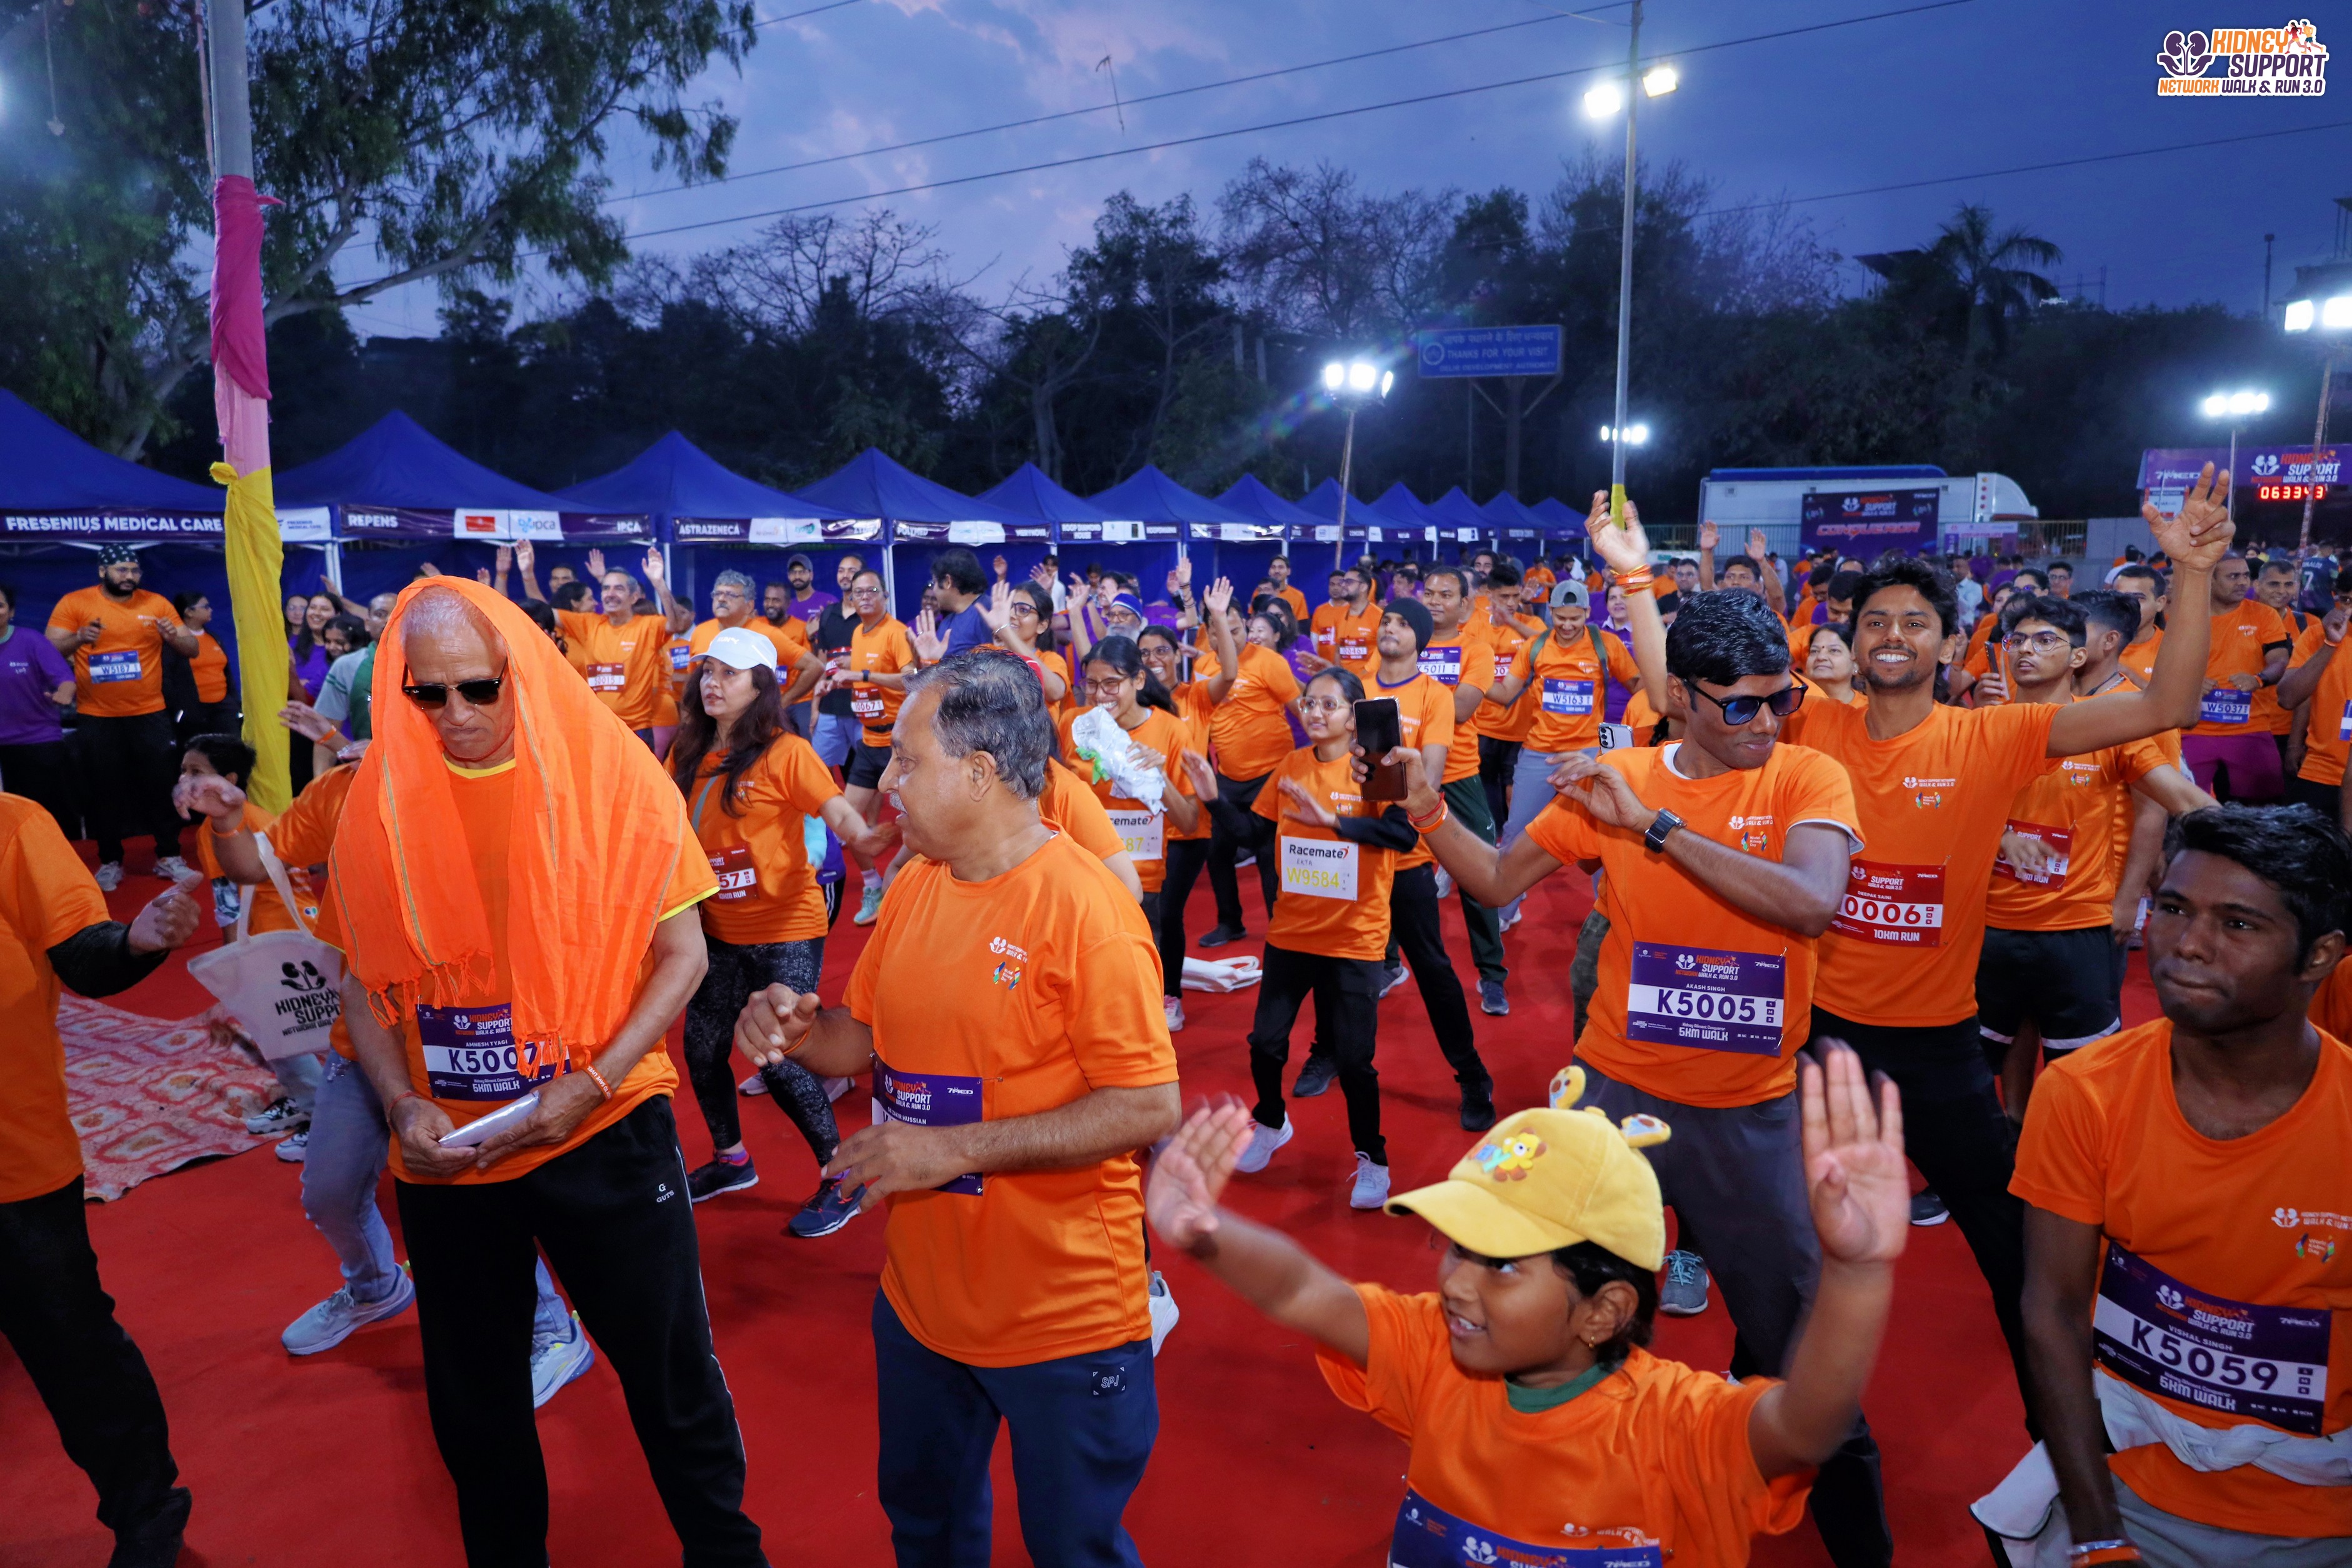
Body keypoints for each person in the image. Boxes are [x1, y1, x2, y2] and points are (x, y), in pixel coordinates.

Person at [1650, 467, 2233, 1427]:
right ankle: (1758, 1416)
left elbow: (2162, 705)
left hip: (1938, 1047)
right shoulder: (1811, 723)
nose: (1891, 635)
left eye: (1914, 623)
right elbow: (1679, 697)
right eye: (1874, 621)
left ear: (1952, 642)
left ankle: (2066, 1440)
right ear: (1849, 639)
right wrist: (1636, 582)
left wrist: (2194, 575)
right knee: (1785, 1239)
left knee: (2011, 1249)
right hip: (1817, 1039)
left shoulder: (1994, 737)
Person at [1391, 576, 1894, 1564]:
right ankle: (1549, 1515)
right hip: (1609, 1094)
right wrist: (1426, 815)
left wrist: (1652, 828)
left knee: (1799, 1350)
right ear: (1681, 700)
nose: (1765, 721)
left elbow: (1808, 903)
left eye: (1779, 698)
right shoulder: (1614, 776)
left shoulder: (1804, 777)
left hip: (1747, 1111)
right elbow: (1492, 879)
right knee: (1551, 1320)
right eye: (1739, 705)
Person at [328, 577, 766, 1568]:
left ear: (519, 669)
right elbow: (360, 981)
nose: (454, 713)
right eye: (426, 693)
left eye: (477, 687)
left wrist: (594, 1082)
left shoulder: (611, 775)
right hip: (450, 1152)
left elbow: (683, 956)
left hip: (602, 1127)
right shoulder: (378, 801)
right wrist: (399, 1101)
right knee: (474, 1407)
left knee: (669, 1379)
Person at [731, 651, 1180, 1568]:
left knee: (1075, 1550)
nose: (886, 780)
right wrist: (798, 1032)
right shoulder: (916, 885)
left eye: (906, 759)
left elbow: (1146, 1104)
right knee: (926, 1529)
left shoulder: (1089, 913)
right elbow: (859, 1042)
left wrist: (953, 1149)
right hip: (918, 1304)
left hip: (1062, 1319)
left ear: (978, 773)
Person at [1146, 1041, 1912, 1567]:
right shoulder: (1434, 1351)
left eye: (1503, 1263)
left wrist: (1855, 1271)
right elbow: (1303, 1290)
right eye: (1458, 1246)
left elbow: (1806, 1426)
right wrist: (1206, 1234)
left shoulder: (1676, 1428)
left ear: (1604, 1310)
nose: (1455, 1283)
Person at [174, 754, 594, 1393]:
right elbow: (253, 865)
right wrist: (229, 817)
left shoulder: (484, 778)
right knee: (328, 1191)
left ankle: (551, 1327)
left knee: (479, 1189)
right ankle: (374, 1287)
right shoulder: (341, 789)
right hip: (364, 1036)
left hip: (457, 1035)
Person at [2002, 805, 2352, 1567]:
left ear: (2320, 955)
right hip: (2125, 1487)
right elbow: (2051, 1311)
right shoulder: (2082, 1093)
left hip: (2320, 1513)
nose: (2187, 944)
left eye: (2237, 924)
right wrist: (2098, 1536)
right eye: (2172, 908)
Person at [0, 796, 204, 1568]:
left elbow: (83, 952)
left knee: (70, 1343)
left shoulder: (15, 828)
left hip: (13, 1159)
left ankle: (147, 1510)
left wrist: (135, 940)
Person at [670, 627, 893, 1235]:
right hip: (718, 929)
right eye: (708, 671)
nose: (712, 682)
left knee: (779, 1057)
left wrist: (864, 837)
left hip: (786, 927)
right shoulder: (688, 752)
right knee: (702, 1050)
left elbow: (835, 808)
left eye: (729, 673)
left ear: (761, 685)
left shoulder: (785, 751)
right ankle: (731, 1160)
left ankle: (840, 1176)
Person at [1968, 596, 2209, 1127]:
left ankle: (2077, 1157)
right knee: (1977, 1066)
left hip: (2077, 929)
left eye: (2045, 640)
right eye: (2017, 640)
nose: (2026, 650)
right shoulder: (1976, 729)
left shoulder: (2109, 730)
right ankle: (2007, 1138)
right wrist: (1999, 837)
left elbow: (2180, 798)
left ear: (2077, 657)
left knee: (2085, 1071)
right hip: (1988, 928)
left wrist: (2255, 839)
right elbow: (1939, 810)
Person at [1209, 665, 1417, 1209]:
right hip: (1291, 934)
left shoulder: (1376, 768)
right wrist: (1212, 800)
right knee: (1264, 1043)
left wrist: (1333, 822)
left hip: (1354, 939)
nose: (1315, 712)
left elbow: (1402, 835)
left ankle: (1372, 1157)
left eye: (1328, 704)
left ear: (1354, 716)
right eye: (1308, 703)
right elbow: (1253, 832)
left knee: (1354, 1061)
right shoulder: (1291, 765)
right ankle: (1270, 1122)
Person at [1059, 634, 1205, 1034]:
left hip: (1142, 878)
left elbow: (1189, 822)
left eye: (1112, 683)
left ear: (1138, 681)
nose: (1099, 695)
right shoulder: (1073, 724)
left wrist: (1158, 777)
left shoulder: (1171, 731)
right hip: (1082, 871)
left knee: (1138, 968)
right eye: (1091, 684)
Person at [45, 543, 201, 888]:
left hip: (150, 713)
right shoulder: (75, 603)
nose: (130, 576)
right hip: (96, 715)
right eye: (122, 570)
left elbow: (192, 648)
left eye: (134, 570)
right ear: (103, 571)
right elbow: (49, 648)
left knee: (161, 784)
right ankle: (110, 860)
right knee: (104, 787)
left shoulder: (156, 603)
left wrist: (173, 638)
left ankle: (169, 855)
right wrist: (79, 638)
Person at [1417, 567, 1510, 1015]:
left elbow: (1460, 709)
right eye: (1429, 593)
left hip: (1458, 774)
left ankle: (1491, 974)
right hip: (1407, 774)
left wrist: (1409, 694)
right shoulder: (1404, 642)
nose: (1435, 600)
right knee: (1395, 873)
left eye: (1445, 594)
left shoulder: (1477, 649)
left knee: (1479, 878)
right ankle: (1388, 963)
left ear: (1465, 604)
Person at [1196, 584, 1303, 948]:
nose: (1228, 637)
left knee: (1268, 854)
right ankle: (1230, 922)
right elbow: (1203, 719)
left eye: (1235, 629)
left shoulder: (1270, 662)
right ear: (1208, 632)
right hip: (1227, 776)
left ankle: (1279, 928)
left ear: (1244, 625)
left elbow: (1300, 710)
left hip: (1271, 774)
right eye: (1218, 630)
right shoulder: (1203, 666)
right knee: (1217, 852)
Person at [1136, 623, 1216, 1026]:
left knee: (1168, 913)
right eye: (1144, 653)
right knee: (1141, 913)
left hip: (1188, 828)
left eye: (1161, 651)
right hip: (1141, 830)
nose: (1153, 659)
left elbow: (1230, 672)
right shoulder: (1131, 708)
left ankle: (1170, 995)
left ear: (1177, 654)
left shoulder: (1194, 696)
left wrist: (1214, 618)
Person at [832, 568, 917, 925]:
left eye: (872, 591)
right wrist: (841, 680)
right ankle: (872, 885)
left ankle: (914, 889)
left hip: (899, 743)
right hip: (868, 741)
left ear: (885, 596)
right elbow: (863, 681)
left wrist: (861, 675)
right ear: (851, 598)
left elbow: (912, 680)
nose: (864, 597)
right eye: (858, 592)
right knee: (847, 824)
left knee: (921, 824)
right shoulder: (857, 632)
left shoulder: (895, 632)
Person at [2181, 551, 2292, 802]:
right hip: (2192, 728)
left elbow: (2280, 660)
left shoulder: (2264, 615)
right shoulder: (2184, 616)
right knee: (2186, 809)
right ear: (2210, 579)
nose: (2242, 582)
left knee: (2261, 811)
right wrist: (2189, 683)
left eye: (2245, 575)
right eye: (2233, 577)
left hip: (2250, 728)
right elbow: (2161, 664)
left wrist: (2259, 679)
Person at [556, 547, 692, 752]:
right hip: (598, 729)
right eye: (606, 588)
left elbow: (678, 623)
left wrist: (659, 583)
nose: (610, 594)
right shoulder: (588, 624)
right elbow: (541, 612)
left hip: (636, 731)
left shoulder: (648, 626)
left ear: (634, 597)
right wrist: (527, 574)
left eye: (618, 589)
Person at [2275, 568, 2352, 828]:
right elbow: (2288, 697)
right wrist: (2330, 645)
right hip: (2321, 772)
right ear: (2335, 597)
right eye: (2346, 600)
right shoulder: (2317, 636)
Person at [0, 582, 78, 834]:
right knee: (11, 824)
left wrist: (64, 694)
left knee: (47, 818)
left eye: (0, 605)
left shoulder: (31, 641)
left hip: (37, 741)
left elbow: (65, 679)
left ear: (11, 612)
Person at [1474, 560, 1541, 843]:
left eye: (1516, 596)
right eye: (1504, 597)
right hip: (1483, 725)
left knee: (1515, 790)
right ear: (1489, 594)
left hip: (1523, 727)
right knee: (1487, 787)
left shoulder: (1530, 624)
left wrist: (1513, 620)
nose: (1512, 602)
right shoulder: (1475, 626)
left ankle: (1515, 846)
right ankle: (1492, 840)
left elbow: (1549, 643)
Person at [164, 591, 236, 742]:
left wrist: (233, 702)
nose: (211, 610)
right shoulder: (176, 643)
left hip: (223, 707)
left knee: (229, 747)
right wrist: (179, 710)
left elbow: (226, 672)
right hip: (194, 710)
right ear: (189, 612)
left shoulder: (214, 638)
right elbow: (167, 678)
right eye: (205, 607)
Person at [1307, 564, 1379, 677]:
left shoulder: (1379, 616)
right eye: (1343, 582)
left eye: (1349, 582)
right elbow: (1338, 650)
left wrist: (1363, 678)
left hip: (1369, 681)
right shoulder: (1341, 615)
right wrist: (1340, 678)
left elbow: (1383, 655)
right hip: (1345, 682)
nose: (1343, 585)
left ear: (1363, 587)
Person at [928, 547, 994, 658]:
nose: (933, 590)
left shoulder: (986, 612)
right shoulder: (946, 622)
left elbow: (996, 663)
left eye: (934, 582)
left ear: (948, 582)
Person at [1804, 622, 1863, 707]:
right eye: (1814, 651)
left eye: (1834, 650)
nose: (1821, 657)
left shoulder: (1870, 710)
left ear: (1856, 664)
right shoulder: (1794, 706)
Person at [783, 552, 837, 620]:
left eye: (802, 572)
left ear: (811, 575)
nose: (797, 577)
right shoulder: (786, 607)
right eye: (793, 572)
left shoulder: (828, 601)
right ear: (788, 576)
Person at [1265, 553, 1308, 626]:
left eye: (1281, 567)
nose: (1277, 571)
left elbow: (1302, 625)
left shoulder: (1298, 596)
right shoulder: (1260, 593)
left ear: (1288, 571)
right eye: (1273, 567)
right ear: (1269, 571)